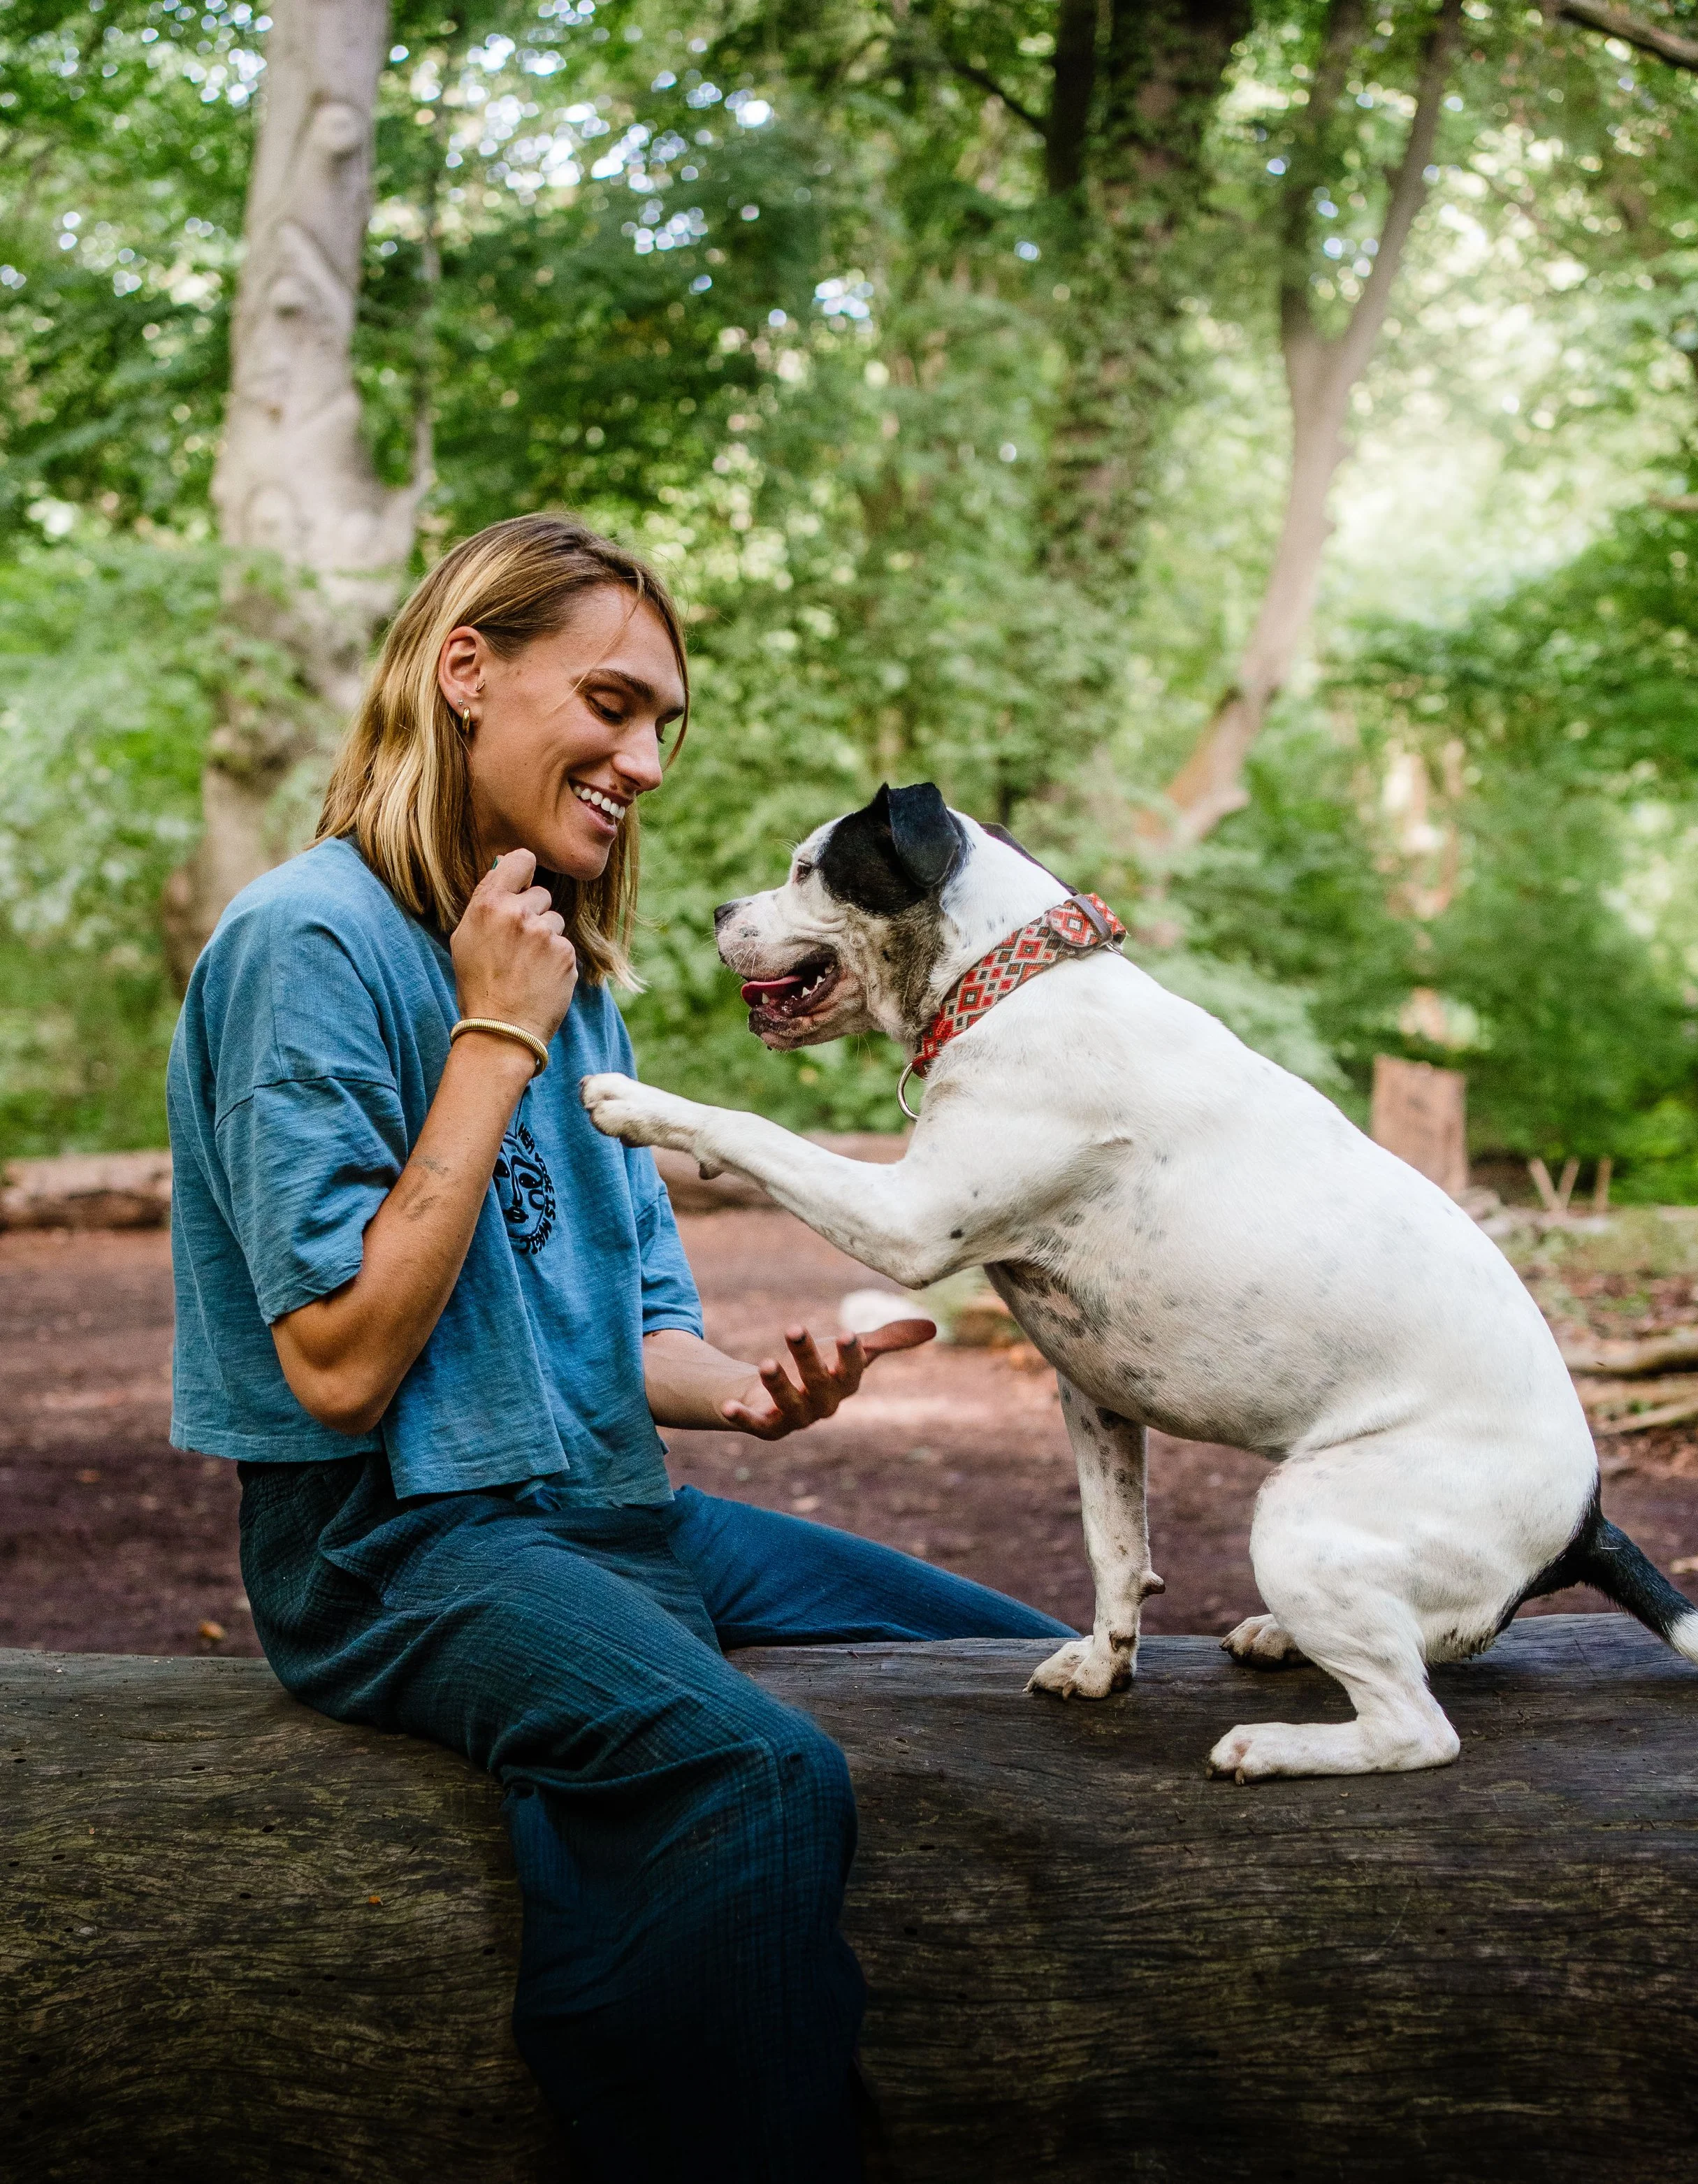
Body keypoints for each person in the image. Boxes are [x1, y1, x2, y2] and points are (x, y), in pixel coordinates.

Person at [166, 512, 1071, 2183]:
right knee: (755, 1771)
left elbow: (627, 1323)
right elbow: (341, 1368)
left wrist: (743, 1389)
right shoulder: (307, 945)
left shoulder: (566, 969)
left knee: (1036, 1664)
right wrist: (491, 1035)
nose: (643, 758)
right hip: (390, 1543)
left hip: (595, 1500)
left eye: (666, 723)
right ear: (465, 672)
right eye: (611, 702)